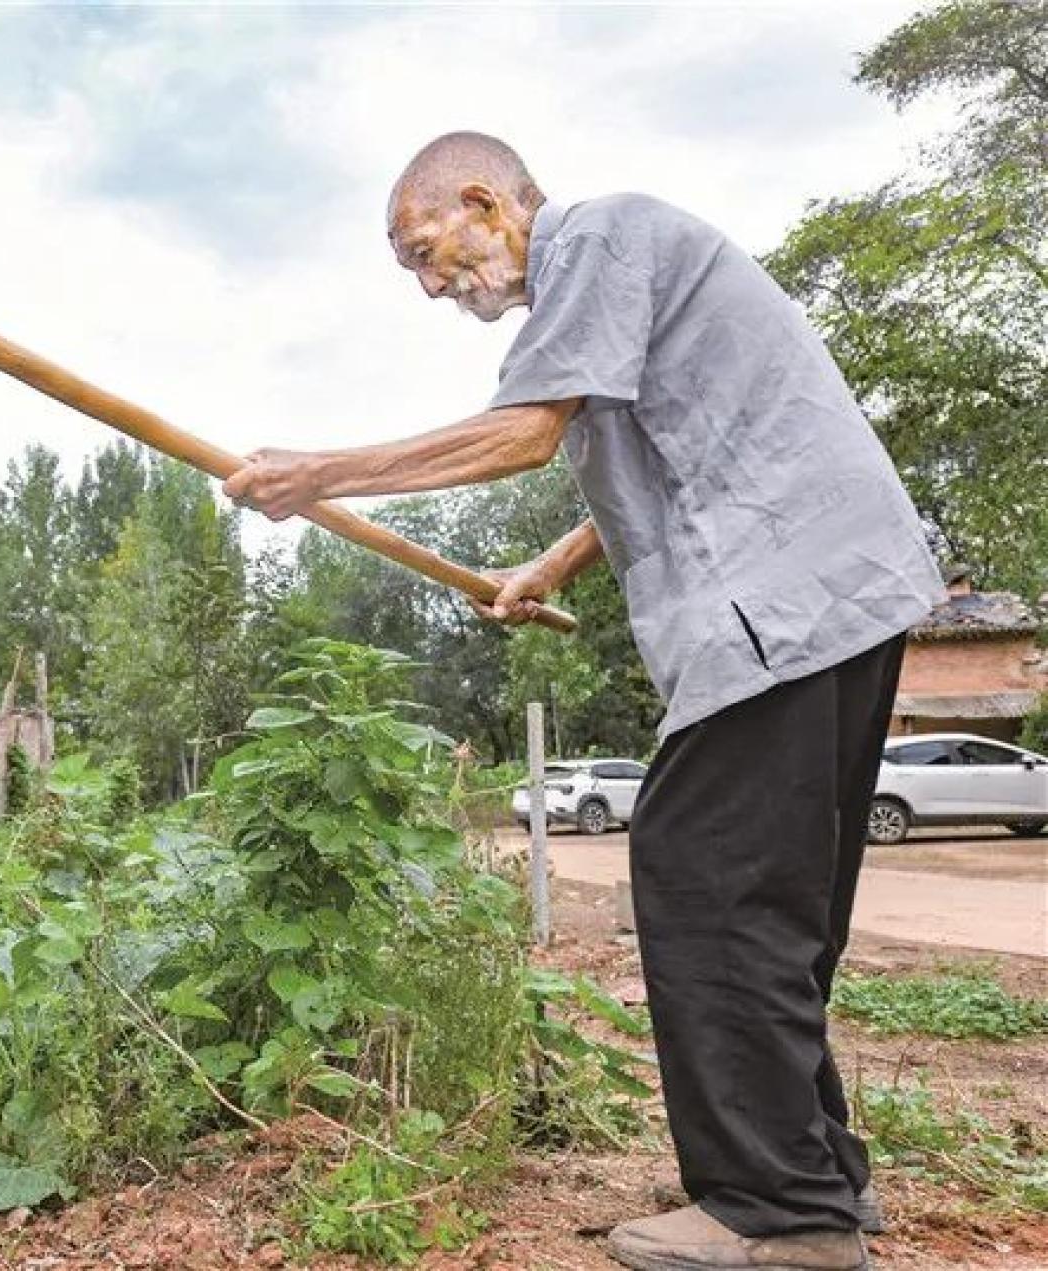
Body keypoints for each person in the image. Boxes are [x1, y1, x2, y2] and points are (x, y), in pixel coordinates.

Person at [222, 131, 945, 1271]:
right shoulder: (617, 282)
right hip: (837, 584)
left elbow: (522, 432)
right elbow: (664, 456)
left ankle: (780, 1211)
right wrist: (551, 567)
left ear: (483, 202)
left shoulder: (598, 238)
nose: (430, 284)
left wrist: (322, 473)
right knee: (772, 895)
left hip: (782, 594)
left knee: (704, 872)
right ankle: (817, 1182)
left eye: (427, 251)